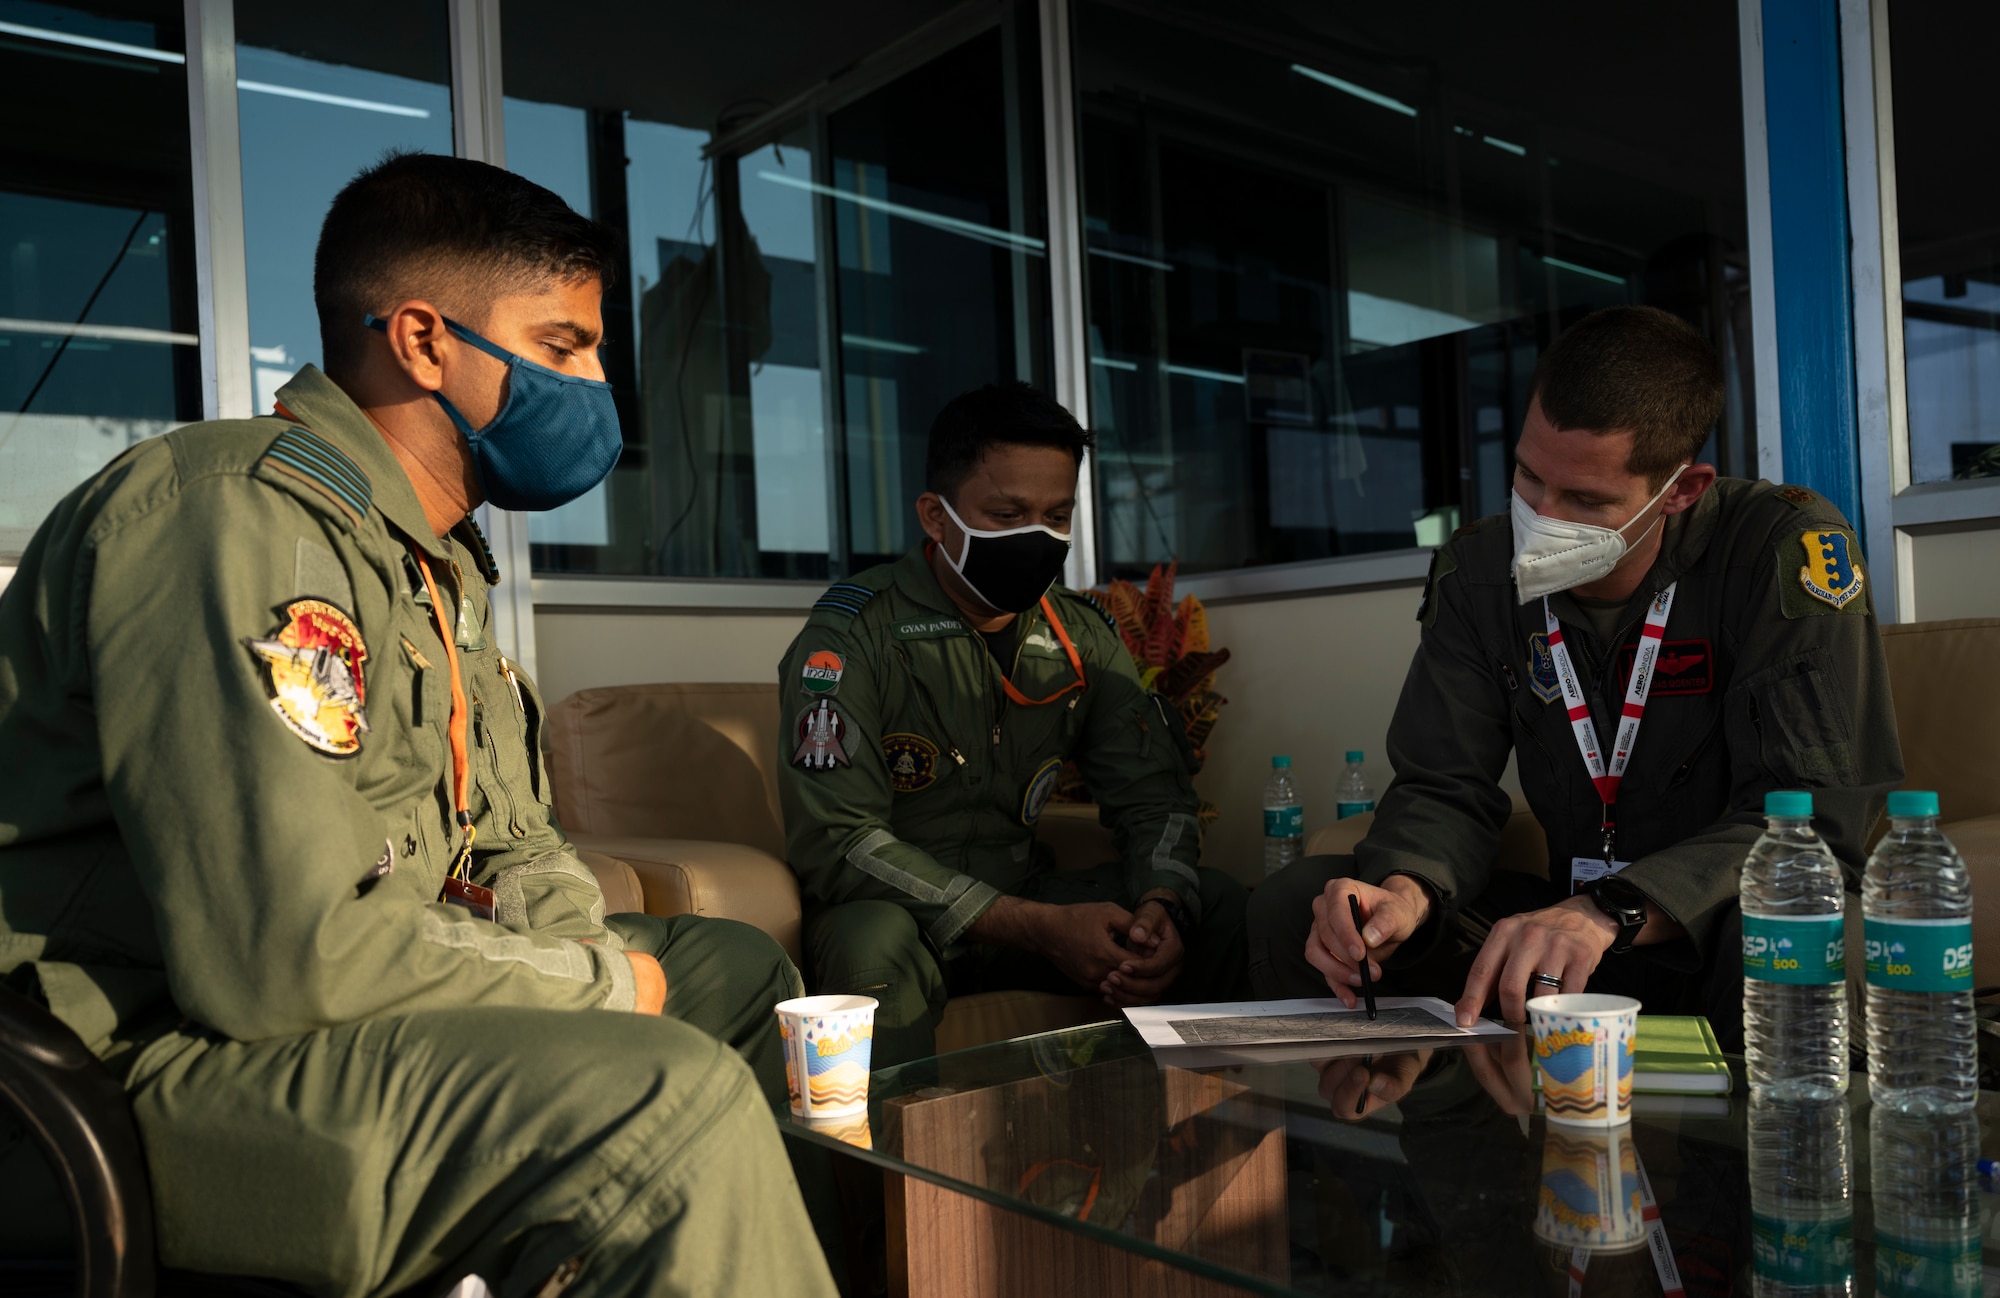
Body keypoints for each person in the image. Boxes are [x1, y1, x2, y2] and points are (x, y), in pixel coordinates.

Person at [0, 153, 837, 1297]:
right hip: (149, 1060)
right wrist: (598, 989)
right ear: (423, 340)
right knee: (663, 1101)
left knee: (734, 969)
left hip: (327, 1010)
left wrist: (587, 954)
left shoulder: (427, 562)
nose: (597, 387)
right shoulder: (237, 523)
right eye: (561, 348)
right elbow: (288, 956)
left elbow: (507, 847)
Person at [1248, 306, 1902, 1047]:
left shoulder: (1782, 548)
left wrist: (1618, 908)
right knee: (1293, 906)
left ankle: (1751, 1161)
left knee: (1793, 945)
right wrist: (1405, 891)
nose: (1542, 516)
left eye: (1586, 501)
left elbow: (1810, 819)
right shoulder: (1479, 570)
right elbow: (1443, 783)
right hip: (1562, 932)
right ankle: (1415, 1153)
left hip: (1711, 923)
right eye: (1528, 477)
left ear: (1682, 490)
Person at [777, 382, 1250, 1070]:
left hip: (1029, 904)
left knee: (1221, 906)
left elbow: (1154, 798)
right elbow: (839, 841)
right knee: (869, 942)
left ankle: (1212, 1146)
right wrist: (1039, 927)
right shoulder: (852, 635)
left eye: (1057, 516)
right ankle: (887, 1173)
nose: (1038, 538)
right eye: (1007, 514)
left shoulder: (1080, 636)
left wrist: (1162, 905)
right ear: (936, 518)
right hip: (905, 921)